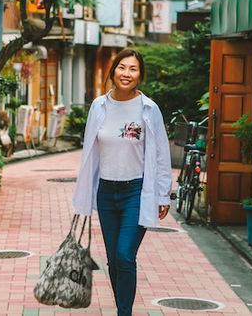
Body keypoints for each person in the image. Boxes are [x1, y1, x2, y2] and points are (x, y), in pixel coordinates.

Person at [72, 48, 172, 316]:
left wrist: (164, 194)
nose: (126, 73)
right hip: (106, 192)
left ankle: (123, 313)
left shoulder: (149, 109)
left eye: (133, 69)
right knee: (114, 261)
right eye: (122, 67)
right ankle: (123, 309)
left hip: (136, 192)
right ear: (113, 70)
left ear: (140, 75)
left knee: (125, 255)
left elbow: (161, 153)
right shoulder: (99, 106)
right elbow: (89, 151)